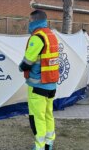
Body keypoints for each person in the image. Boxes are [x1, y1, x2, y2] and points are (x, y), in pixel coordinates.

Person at [18, 10, 59, 150]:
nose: (28, 23)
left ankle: (39, 146)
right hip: (51, 84)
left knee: (37, 117)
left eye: (30, 21)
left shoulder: (37, 37)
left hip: (38, 85)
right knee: (48, 114)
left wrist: (21, 67)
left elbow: (27, 62)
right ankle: (49, 143)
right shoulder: (51, 35)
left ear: (34, 21)